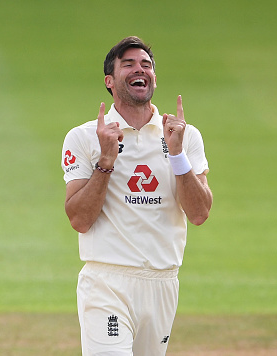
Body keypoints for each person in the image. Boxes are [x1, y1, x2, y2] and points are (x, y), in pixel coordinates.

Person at [61, 36, 213, 356]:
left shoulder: (184, 135)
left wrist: (177, 156)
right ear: (109, 81)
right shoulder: (85, 137)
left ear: (154, 78)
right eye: (127, 64)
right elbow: (79, 218)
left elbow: (199, 213)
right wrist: (105, 162)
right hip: (107, 281)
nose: (138, 69)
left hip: (162, 282)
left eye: (146, 64)